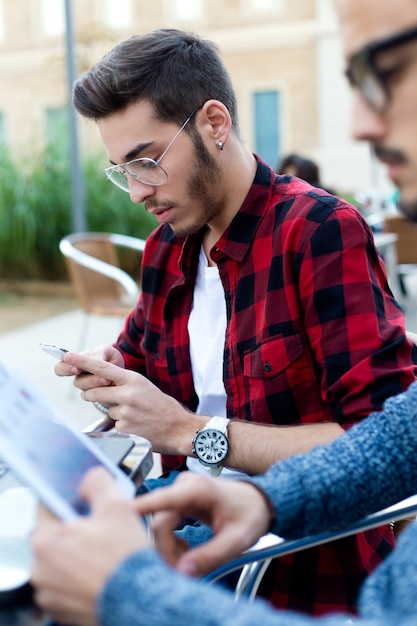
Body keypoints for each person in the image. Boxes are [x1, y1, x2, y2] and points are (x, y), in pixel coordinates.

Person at [55, 27, 417, 615]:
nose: (137, 192)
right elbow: (141, 364)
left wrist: (185, 431)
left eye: (146, 162)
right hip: (181, 508)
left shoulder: (319, 232)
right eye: (123, 170)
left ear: (214, 124)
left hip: (289, 552)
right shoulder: (165, 248)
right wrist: (111, 371)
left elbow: (375, 440)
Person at [31, 362, 417, 626]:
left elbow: (365, 423)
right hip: (229, 496)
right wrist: (268, 498)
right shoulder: (165, 252)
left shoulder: (320, 241)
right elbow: (401, 434)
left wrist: (134, 596)